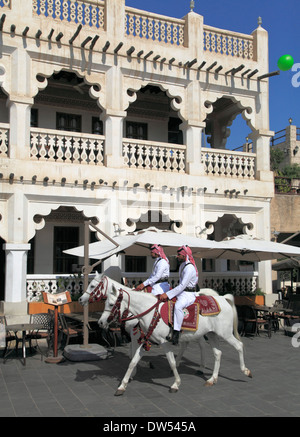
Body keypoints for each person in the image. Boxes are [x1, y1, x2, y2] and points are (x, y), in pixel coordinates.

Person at [158, 245, 198, 345]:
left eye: (179, 255)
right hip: (182, 292)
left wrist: (168, 294)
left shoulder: (189, 268)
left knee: (178, 306)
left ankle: (176, 333)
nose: (177, 256)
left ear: (185, 255)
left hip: (188, 294)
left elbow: (183, 285)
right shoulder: (182, 266)